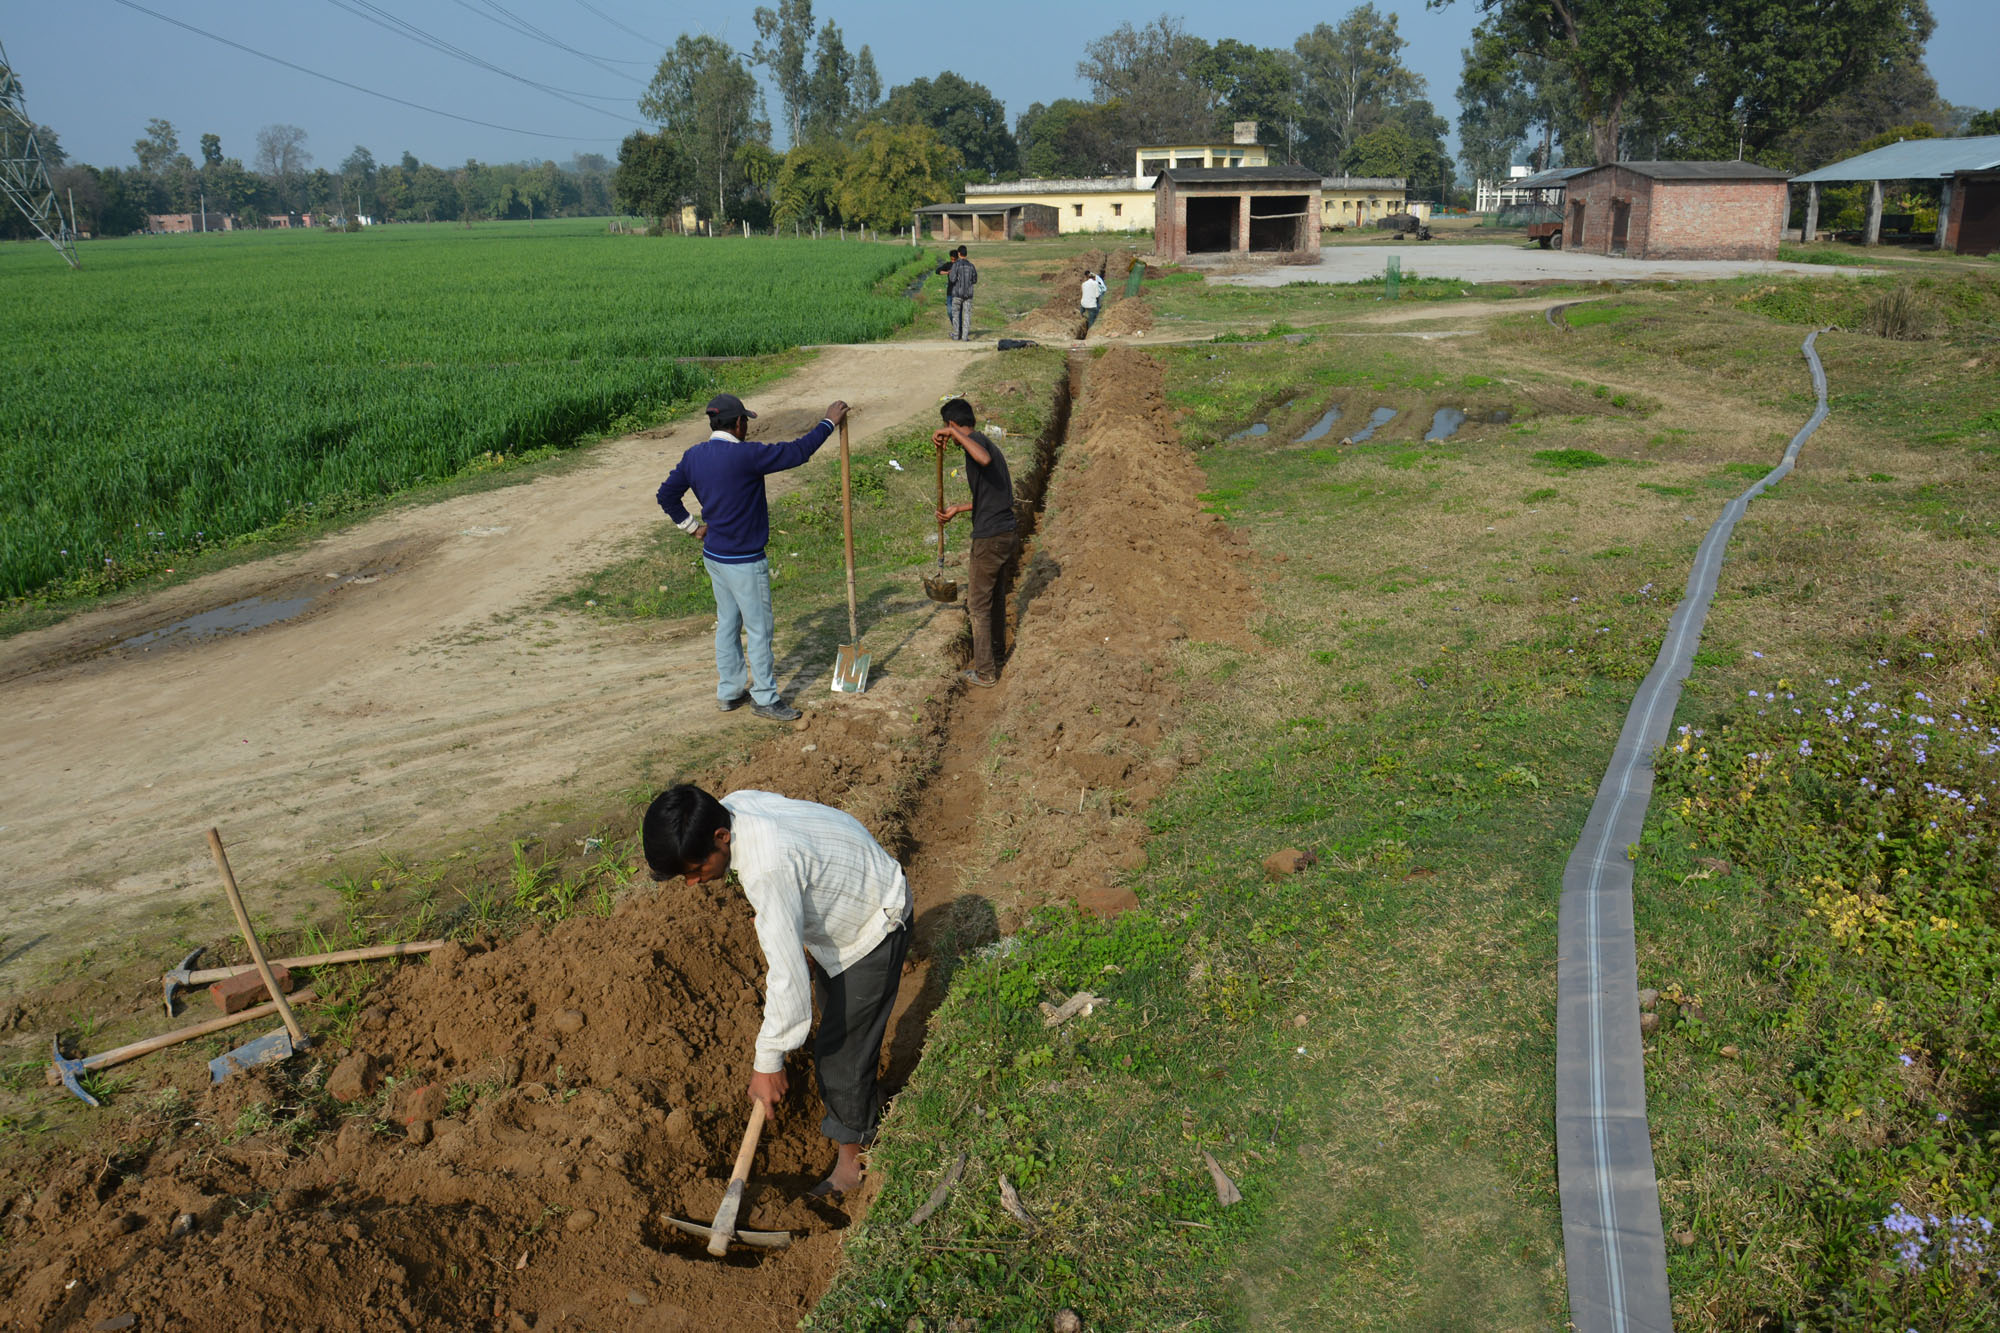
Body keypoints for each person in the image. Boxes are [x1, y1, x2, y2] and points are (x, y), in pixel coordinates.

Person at [644, 783, 911, 1197]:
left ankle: (852, 1160)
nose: (693, 883)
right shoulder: (735, 806)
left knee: (839, 1055)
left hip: (872, 923)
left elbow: (787, 977)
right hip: (849, 904)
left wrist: (768, 1062)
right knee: (845, 1039)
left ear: (721, 837)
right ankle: (866, 1105)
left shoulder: (768, 867)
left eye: (695, 870)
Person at [657, 392, 848, 722]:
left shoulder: (694, 456)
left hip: (715, 556)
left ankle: (730, 692)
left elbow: (666, 495)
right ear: (740, 423)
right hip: (744, 561)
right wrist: (828, 421)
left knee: (728, 624)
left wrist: (692, 527)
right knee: (759, 630)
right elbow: (799, 452)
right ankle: (765, 697)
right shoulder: (746, 456)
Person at [932, 396, 1017, 687]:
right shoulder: (984, 442)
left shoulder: (980, 449)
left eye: (949, 429)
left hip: (990, 537)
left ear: (953, 425)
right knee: (993, 599)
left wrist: (953, 434)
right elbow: (996, 495)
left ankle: (985, 672)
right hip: (1004, 531)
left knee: (978, 605)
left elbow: (983, 459)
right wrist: (958, 509)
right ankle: (995, 653)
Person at [947, 246, 977, 341]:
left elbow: (952, 279)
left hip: (957, 294)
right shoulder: (971, 266)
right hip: (968, 294)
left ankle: (956, 335)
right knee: (967, 314)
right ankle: (965, 337)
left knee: (955, 314)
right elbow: (975, 280)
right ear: (966, 254)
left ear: (959, 254)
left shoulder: (956, 265)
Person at [935, 249, 959, 339]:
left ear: (957, 258)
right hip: (950, 292)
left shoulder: (960, 265)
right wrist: (947, 272)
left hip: (959, 293)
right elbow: (937, 271)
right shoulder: (948, 265)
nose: (953, 261)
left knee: (958, 312)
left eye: (954, 259)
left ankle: (958, 330)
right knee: (950, 312)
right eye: (952, 259)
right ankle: (956, 327)